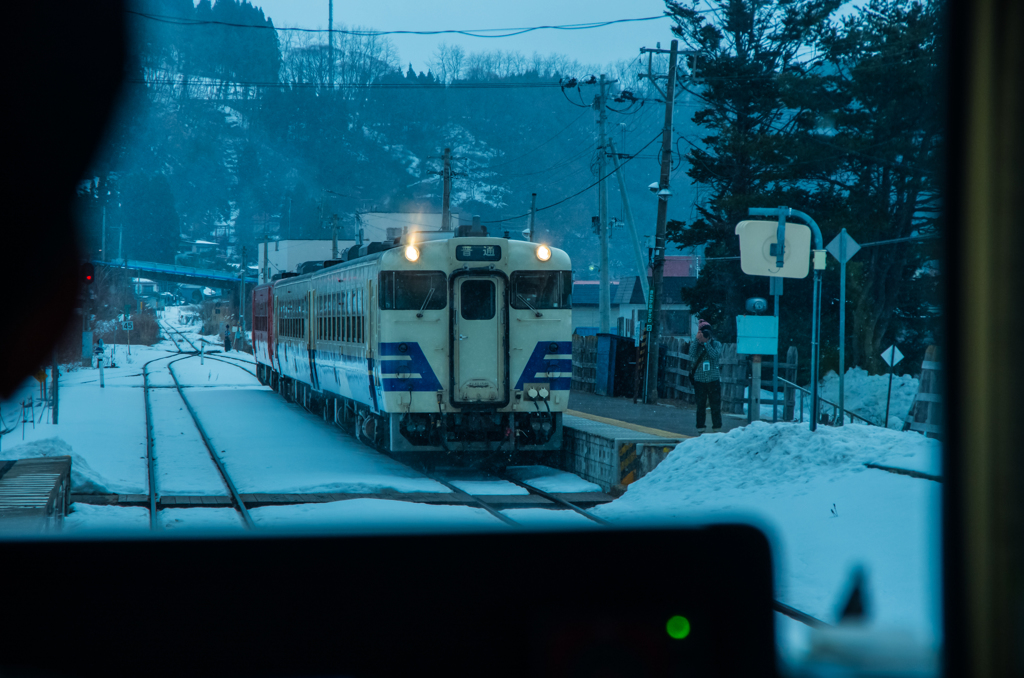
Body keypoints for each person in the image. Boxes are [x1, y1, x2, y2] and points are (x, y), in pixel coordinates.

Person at [689, 319, 723, 434]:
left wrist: (707, 343)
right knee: (700, 406)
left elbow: (715, 356)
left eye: (707, 333)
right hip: (699, 380)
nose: (705, 334)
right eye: (702, 332)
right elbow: (691, 355)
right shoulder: (696, 345)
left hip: (713, 379)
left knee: (715, 405)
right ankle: (700, 428)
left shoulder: (716, 344)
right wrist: (697, 340)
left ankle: (717, 428)